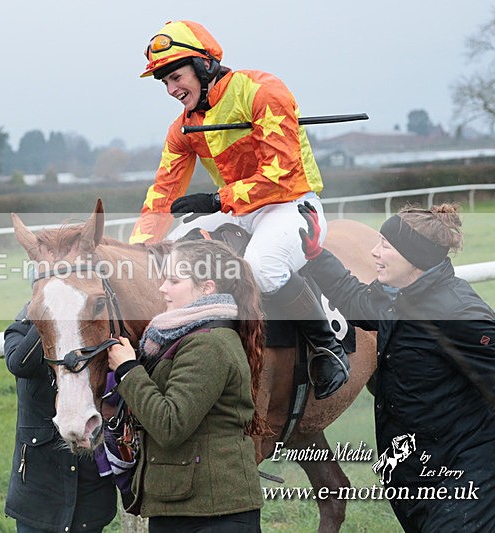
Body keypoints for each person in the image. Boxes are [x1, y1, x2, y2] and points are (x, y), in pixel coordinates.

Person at [128, 19, 348, 400]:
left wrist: (216, 201)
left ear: (204, 66)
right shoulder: (183, 127)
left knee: (262, 268)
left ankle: (328, 347)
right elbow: (162, 192)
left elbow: (281, 175)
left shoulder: (263, 91)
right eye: (164, 83)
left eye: (176, 77)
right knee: (170, 259)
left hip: (291, 202)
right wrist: (139, 250)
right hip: (238, 210)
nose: (171, 90)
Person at [299, 202, 495, 531]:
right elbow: (353, 297)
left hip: (466, 474)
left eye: (385, 246)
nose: (374, 253)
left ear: (413, 257)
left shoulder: (459, 312)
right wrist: (317, 255)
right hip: (416, 476)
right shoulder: (397, 296)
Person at [107, 239, 264, 532]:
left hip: (213, 514)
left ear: (207, 288)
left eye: (174, 280)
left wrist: (128, 370)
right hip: (186, 506)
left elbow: (169, 424)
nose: (162, 288)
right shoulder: (182, 337)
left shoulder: (208, 344)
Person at [3, 303, 117, 532]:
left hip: (89, 489)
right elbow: (19, 364)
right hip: (38, 495)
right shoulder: (19, 331)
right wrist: (52, 311)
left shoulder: (93, 329)